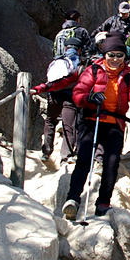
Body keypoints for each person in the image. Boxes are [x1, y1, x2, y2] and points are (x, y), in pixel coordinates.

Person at [62, 33, 130, 219]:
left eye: (119, 55)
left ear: (124, 57)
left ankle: (103, 202)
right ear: (104, 55)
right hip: (92, 119)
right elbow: (78, 93)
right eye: (111, 55)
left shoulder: (129, 78)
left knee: (111, 163)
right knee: (84, 160)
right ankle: (73, 199)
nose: (114, 59)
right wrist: (89, 98)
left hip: (115, 123)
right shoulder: (93, 71)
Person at [30, 36, 84, 166]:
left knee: (50, 120)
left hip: (52, 95)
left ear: (65, 48)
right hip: (69, 97)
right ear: (79, 49)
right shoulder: (79, 62)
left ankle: (46, 152)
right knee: (69, 125)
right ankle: (66, 156)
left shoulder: (57, 60)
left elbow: (51, 80)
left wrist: (41, 88)